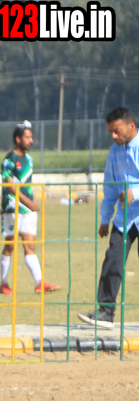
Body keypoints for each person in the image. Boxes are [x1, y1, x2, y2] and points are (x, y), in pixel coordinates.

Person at [79, 106, 139, 328]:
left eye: (117, 131)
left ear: (131, 125)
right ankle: (105, 312)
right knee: (112, 259)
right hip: (125, 218)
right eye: (111, 132)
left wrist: (135, 193)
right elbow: (111, 187)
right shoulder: (115, 151)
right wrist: (105, 218)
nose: (114, 136)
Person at [0, 121, 60, 295]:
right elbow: (9, 185)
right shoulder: (9, 160)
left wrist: (28, 202)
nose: (31, 140)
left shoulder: (30, 160)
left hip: (27, 209)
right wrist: (27, 201)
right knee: (10, 246)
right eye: (27, 137)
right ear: (18, 139)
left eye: (31, 137)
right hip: (12, 207)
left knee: (29, 246)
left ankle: (39, 283)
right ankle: (4, 283)